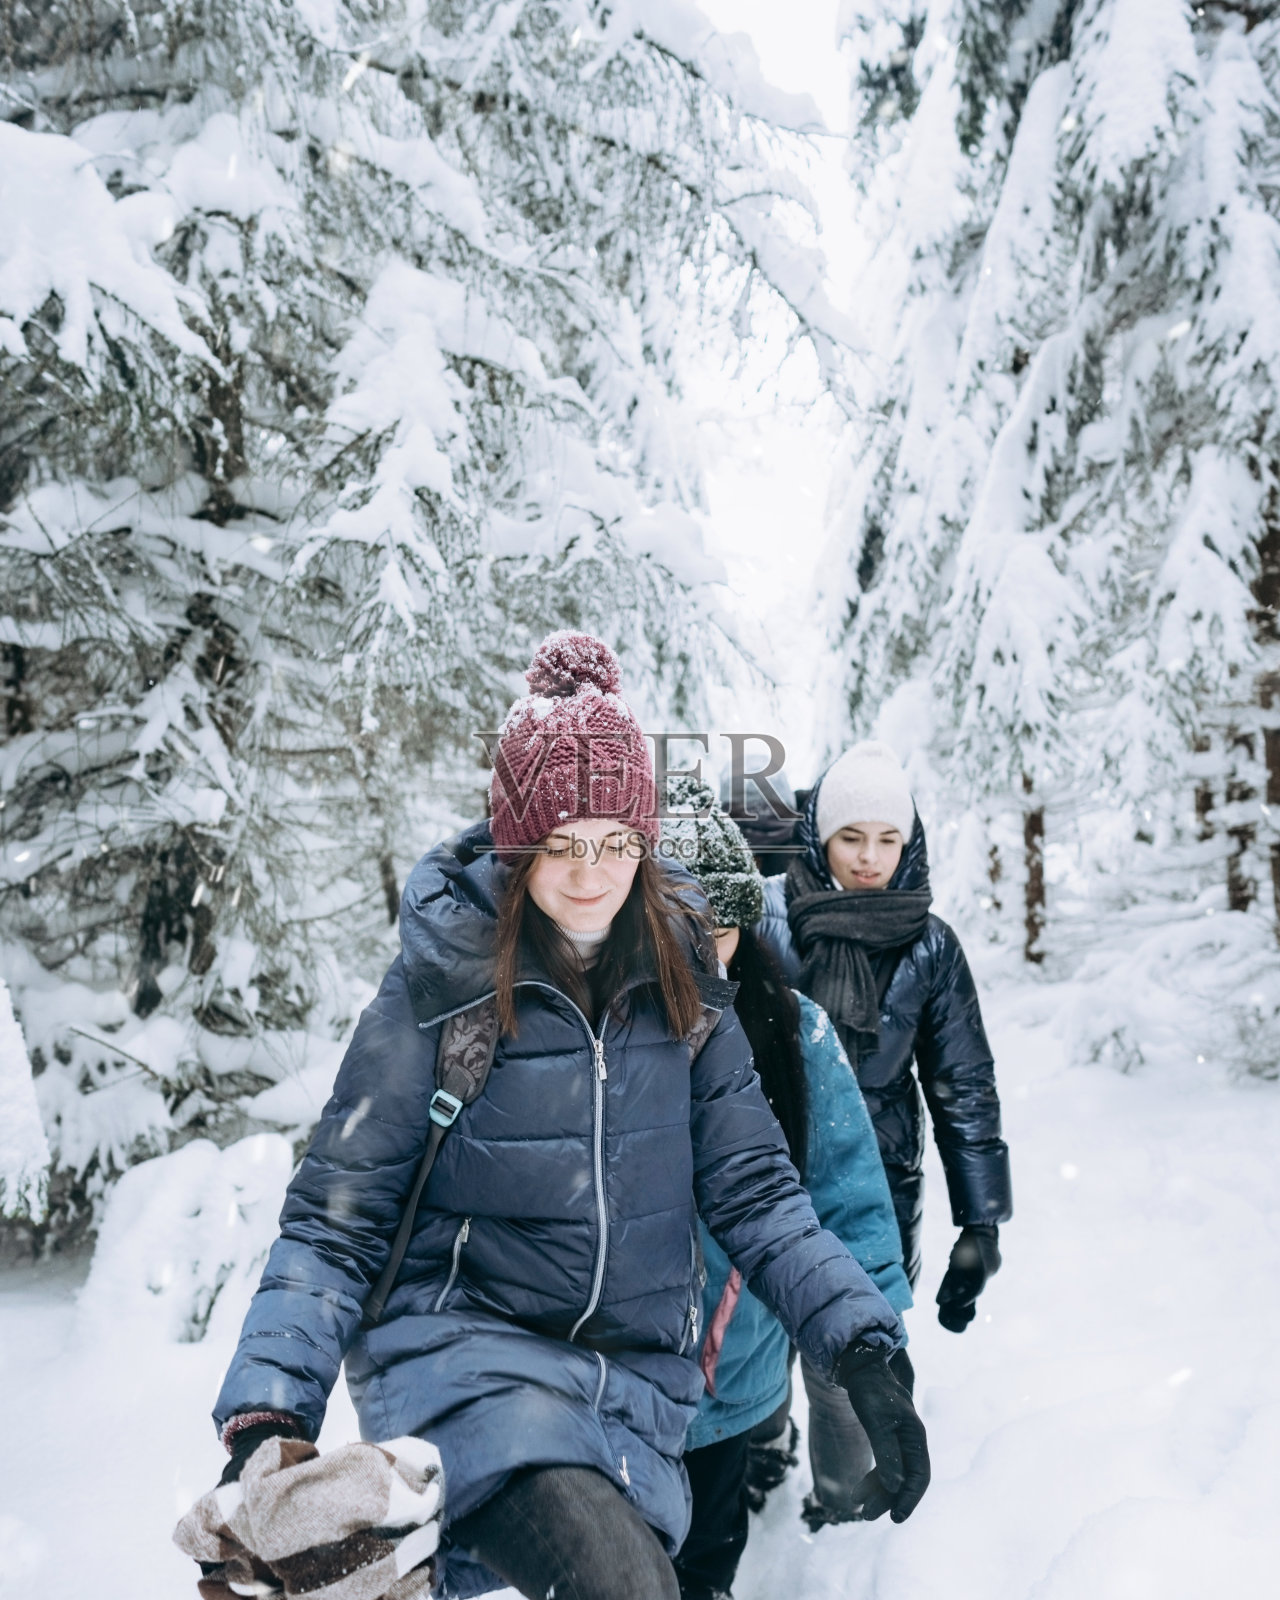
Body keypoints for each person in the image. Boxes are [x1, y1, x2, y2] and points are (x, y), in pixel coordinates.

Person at [208, 637, 930, 1600]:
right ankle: (367, 1538)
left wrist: (862, 1344)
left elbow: (760, 1196)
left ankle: (383, 1554)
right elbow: (336, 1219)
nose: (591, 874)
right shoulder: (442, 988)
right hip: (466, 1356)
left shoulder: (686, 993)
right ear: (518, 845)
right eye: (562, 845)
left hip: (635, 1388)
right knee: (620, 1582)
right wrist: (266, 1412)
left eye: (614, 842)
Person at [662, 780, 913, 1598]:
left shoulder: (793, 1027)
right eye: (674, 927)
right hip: (614, 1387)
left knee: (706, 1558)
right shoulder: (598, 1039)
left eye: (719, 928)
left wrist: (877, 1349)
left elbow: (846, 1198)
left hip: (737, 1365)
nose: (700, 952)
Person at [757, 740, 1012, 1313]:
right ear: (819, 837)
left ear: (909, 842)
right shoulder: (762, 921)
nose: (869, 857)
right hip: (765, 1188)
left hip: (876, 1191)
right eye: (851, 837)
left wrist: (981, 1225)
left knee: (864, 1358)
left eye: (888, 839)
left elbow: (963, 1084)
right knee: (756, 1361)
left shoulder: (931, 945)